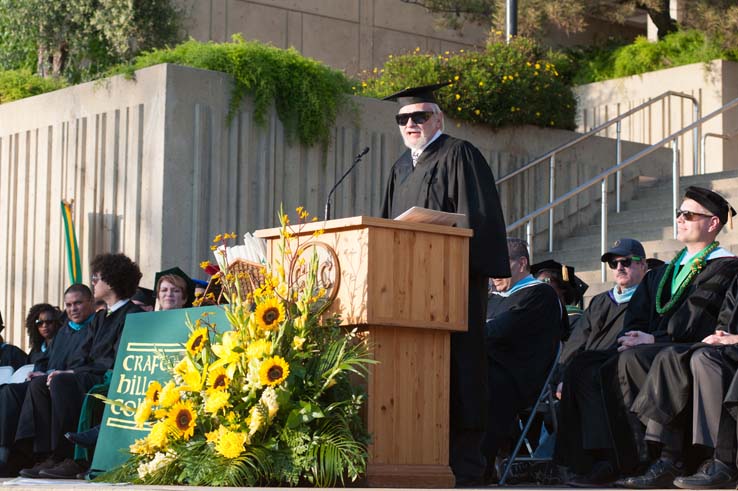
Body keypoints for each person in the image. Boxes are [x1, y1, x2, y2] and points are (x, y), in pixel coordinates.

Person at [555, 186, 738, 486]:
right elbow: (636, 318)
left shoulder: (725, 267)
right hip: (652, 345)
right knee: (584, 366)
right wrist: (634, 335)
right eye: (678, 213)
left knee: (634, 359)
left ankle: (650, 457)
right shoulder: (661, 273)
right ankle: (604, 459)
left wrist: (653, 340)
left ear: (713, 223)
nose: (679, 219)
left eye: (689, 215)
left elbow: (696, 322)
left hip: (686, 346)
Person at [380, 82, 510, 486]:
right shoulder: (400, 167)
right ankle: (414, 454)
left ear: (438, 118)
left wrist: (476, 269)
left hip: (450, 286)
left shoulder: (460, 154)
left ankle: (466, 466)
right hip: (405, 290)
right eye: (404, 118)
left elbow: (479, 215)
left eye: (419, 116)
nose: (411, 124)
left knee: (459, 369)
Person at [16, 254, 143, 479]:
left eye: (97, 278)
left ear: (111, 281)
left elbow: (114, 360)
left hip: (109, 378)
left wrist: (71, 373)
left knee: (63, 381)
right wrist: (51, 372)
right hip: (88, 373)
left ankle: (73, 458)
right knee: (39, 383)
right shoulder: (100, 317)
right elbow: (81, 355)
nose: (93, 282)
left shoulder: (133, 315)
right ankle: (51, 455)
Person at [553, 239, 648, 484]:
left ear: (643, 265)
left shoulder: (649, 299)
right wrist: (562, 377)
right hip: (587, 367)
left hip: (622, 365)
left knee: (590, 374)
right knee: (576, 373)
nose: (619, 268)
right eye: (613, 263)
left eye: (626, 262)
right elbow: (577, 341)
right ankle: (577, 464)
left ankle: (606, 462)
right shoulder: (600, 300)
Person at [484, 238, 565, 478]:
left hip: (519, 376)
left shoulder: (540, 294)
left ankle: (479, 463)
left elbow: (498, 331)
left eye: (500, 265)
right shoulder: (491, 297)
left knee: (478, 379)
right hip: (493, 367)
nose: (493, 274)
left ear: (521, 263)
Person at [0, 288, 95, 475]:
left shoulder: (95, 327)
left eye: (78, 303)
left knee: (45, 385)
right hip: (53, 377)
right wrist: (40, 371)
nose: (73, 309)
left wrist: (62, 372)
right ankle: (8, 453)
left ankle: (52, 454)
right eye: (68, 305)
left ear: (90, 302)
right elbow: (46, 360)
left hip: (79, 378)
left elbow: (96, 361)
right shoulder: (64, 331)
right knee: (9, 390)